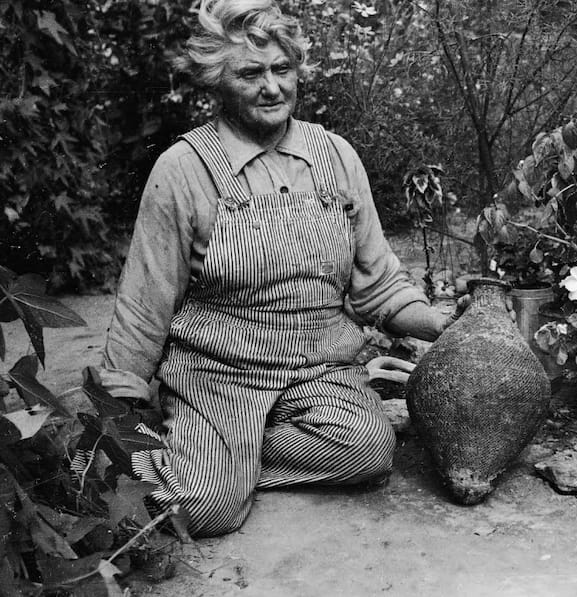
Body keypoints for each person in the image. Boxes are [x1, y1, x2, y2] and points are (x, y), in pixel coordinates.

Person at [92, 0, 457, 538]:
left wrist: (440, 325)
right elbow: (145, 305)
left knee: (370, 451)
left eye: (282, 69)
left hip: (320, 372)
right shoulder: (183, 170)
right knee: (201, 511)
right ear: (218, 82)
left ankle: (233, 460)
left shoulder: (336, 156)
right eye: (250, 73)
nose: (272, 88)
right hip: (218, 377)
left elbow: (378, 284)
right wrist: (116, 408)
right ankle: (211, 463)